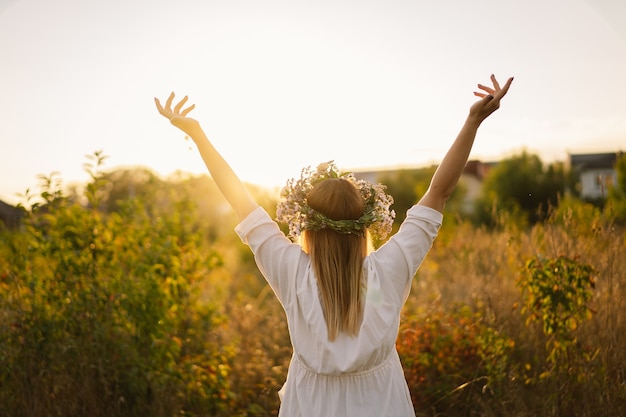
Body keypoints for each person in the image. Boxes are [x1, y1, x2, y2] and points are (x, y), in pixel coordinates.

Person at [155, 74, 513, 417]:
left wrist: (198, 136)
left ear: (308, 227)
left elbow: (239, 198)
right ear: (363, 228)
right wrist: (472, 122)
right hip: (382, 405)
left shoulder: (291, 270)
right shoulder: (392, 266)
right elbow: (440, 191)